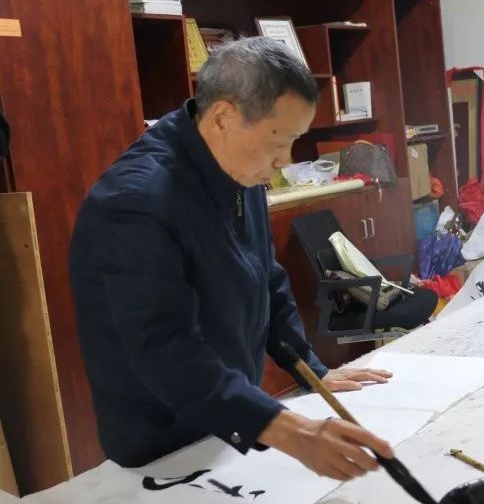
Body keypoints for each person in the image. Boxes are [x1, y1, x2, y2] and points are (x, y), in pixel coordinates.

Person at [70, 37, 395, 478]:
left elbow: (266, 279)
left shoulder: (238, 168)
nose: (284, 161)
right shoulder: (136, 203)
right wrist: (291, 431)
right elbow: (164, 351)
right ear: (224, 117)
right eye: (278, 142)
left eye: (294, 142)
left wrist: (310, 370)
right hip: (165, 446)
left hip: (230, 424)